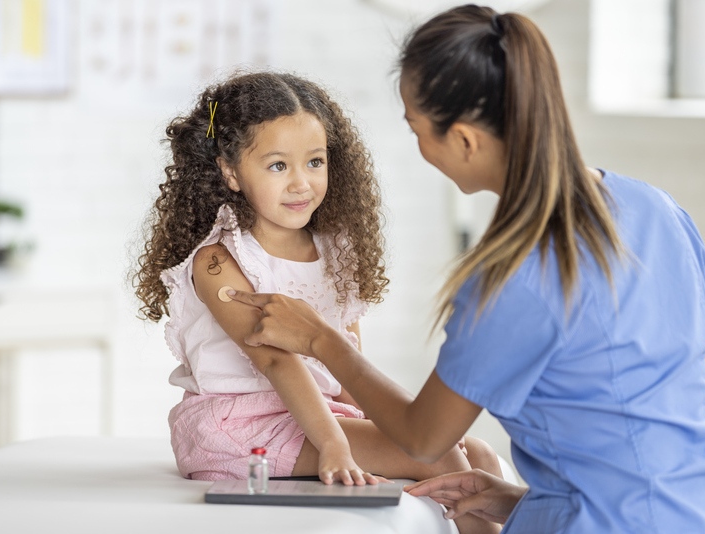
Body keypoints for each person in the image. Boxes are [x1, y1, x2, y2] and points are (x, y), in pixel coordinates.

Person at [225, 6, 705, 533]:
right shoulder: (660, 212)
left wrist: (321, 340)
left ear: (466, 140)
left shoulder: (509, 276)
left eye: (417, 129)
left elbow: (424, 438)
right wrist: (530, 502)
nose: (419, 147)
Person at [134, 71, 503, 534]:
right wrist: (334, 444)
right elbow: (276, 363)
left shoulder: (336, 251)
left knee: (481, 455)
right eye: (277, 166)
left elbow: (348, 368)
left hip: (317, 416)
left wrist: (380, 427)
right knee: (445, 457)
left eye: (314, 161)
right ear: (230, 171)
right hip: (242, 425)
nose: (301, 183)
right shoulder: (218, 261)